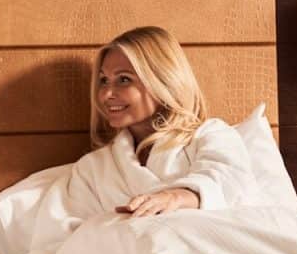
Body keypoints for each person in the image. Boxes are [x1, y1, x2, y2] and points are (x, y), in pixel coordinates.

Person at [88, 25, 267, 217]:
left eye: (124, 80)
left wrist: (175, 197)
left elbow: (230, 182)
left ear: (163, 80)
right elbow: (62, 230)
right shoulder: (96, 167)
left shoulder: (211, 136)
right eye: (104, 80)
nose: (106, 94)